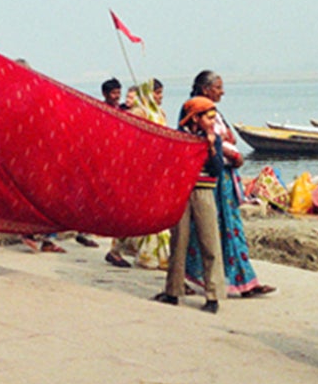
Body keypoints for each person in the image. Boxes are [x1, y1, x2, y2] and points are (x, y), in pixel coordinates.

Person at [181, 71, 274, 299]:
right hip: (211, 179)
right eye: (218, 87)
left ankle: (241, 279)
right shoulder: (194, 111)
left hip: (223, 178)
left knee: (224, 227)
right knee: (212, 229)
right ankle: (197, 277)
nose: (222, 92)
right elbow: (200, 140)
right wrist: (228, 153)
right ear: (205, 89)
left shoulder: (213, 112)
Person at [157, 76, 227, 312]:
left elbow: (217, 168)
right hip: (182, 194)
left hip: (204, 193)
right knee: (179, 242)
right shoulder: (180, 138)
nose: (212, 121)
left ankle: (213, 295)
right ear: (195, 118)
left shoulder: (213, 139)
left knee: (210, 242)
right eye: (208, 117)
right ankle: (173, 291)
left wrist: (209, 147)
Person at [109, 80, 171, 270]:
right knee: (136, 211)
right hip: (141, 169)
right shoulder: (139, 113)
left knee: (157, 212)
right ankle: (118, 249)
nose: (160, 97)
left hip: (158, 169)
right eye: (157, 93)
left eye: (161, 93)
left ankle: (156, 255)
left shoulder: (160, 113)